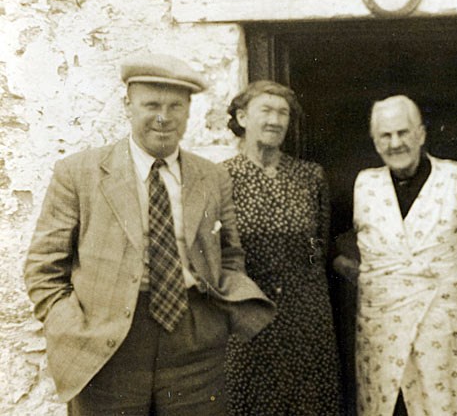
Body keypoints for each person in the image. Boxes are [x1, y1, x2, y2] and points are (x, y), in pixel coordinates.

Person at [23, 53, 276, 415]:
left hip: (195, 341)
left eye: (175, 106)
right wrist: (71, 326)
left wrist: (216, 320)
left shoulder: (211, 176)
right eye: (151, 104)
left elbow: (229, 253)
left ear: (189, 112)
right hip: (108, 345)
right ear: (128, 106)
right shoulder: (79, 173)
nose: (163, 116)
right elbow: (44, 268)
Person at [336, 95, 457, 416]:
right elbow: (317, 229)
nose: (395, 143)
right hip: (383, 332)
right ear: (375, 142)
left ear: (421, 134)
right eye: (386, 135)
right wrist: (340, 262)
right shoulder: (361, 186)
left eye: (403, 132)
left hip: (445, 327)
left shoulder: (456, 179)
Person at [222, 80, 342, 415]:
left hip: (306, 319)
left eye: (283, 113)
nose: (275, 120)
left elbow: (317, 246)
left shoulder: (310, 177)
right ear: (243, 117)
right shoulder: (219, 179)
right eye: (266, 110)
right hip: (247, 318)